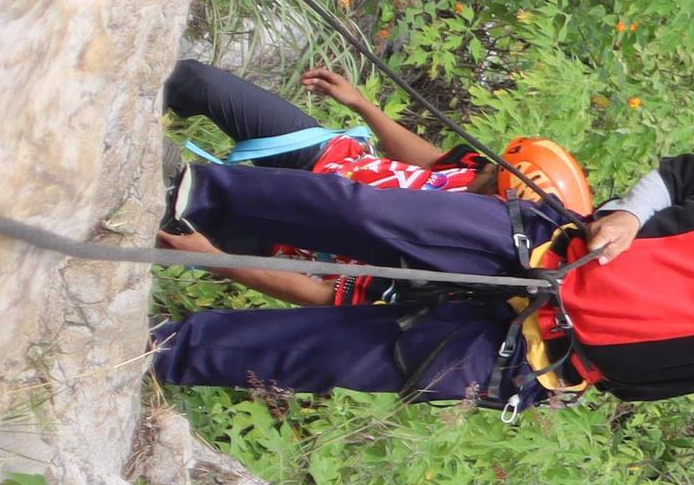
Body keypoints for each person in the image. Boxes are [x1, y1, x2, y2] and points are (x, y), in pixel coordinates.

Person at [149, 148, 694, 428]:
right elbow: (679, 175)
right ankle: (201, 194)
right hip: (549, 249)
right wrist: (630, 213)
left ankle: (169, 351)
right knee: (371, 214)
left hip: (538, 356)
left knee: (341, 353)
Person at [160, 58, 591, 306]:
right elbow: (435, 163)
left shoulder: (448, 263)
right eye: (493, 167)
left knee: (165, 208)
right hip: (321, 158)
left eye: (494, 174)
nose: (484, 170)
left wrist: (215, 259)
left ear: (504, 202)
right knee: (196, 81)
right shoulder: (476, 176)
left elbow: (322, 294)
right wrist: (363, 106)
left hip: (283, 238)